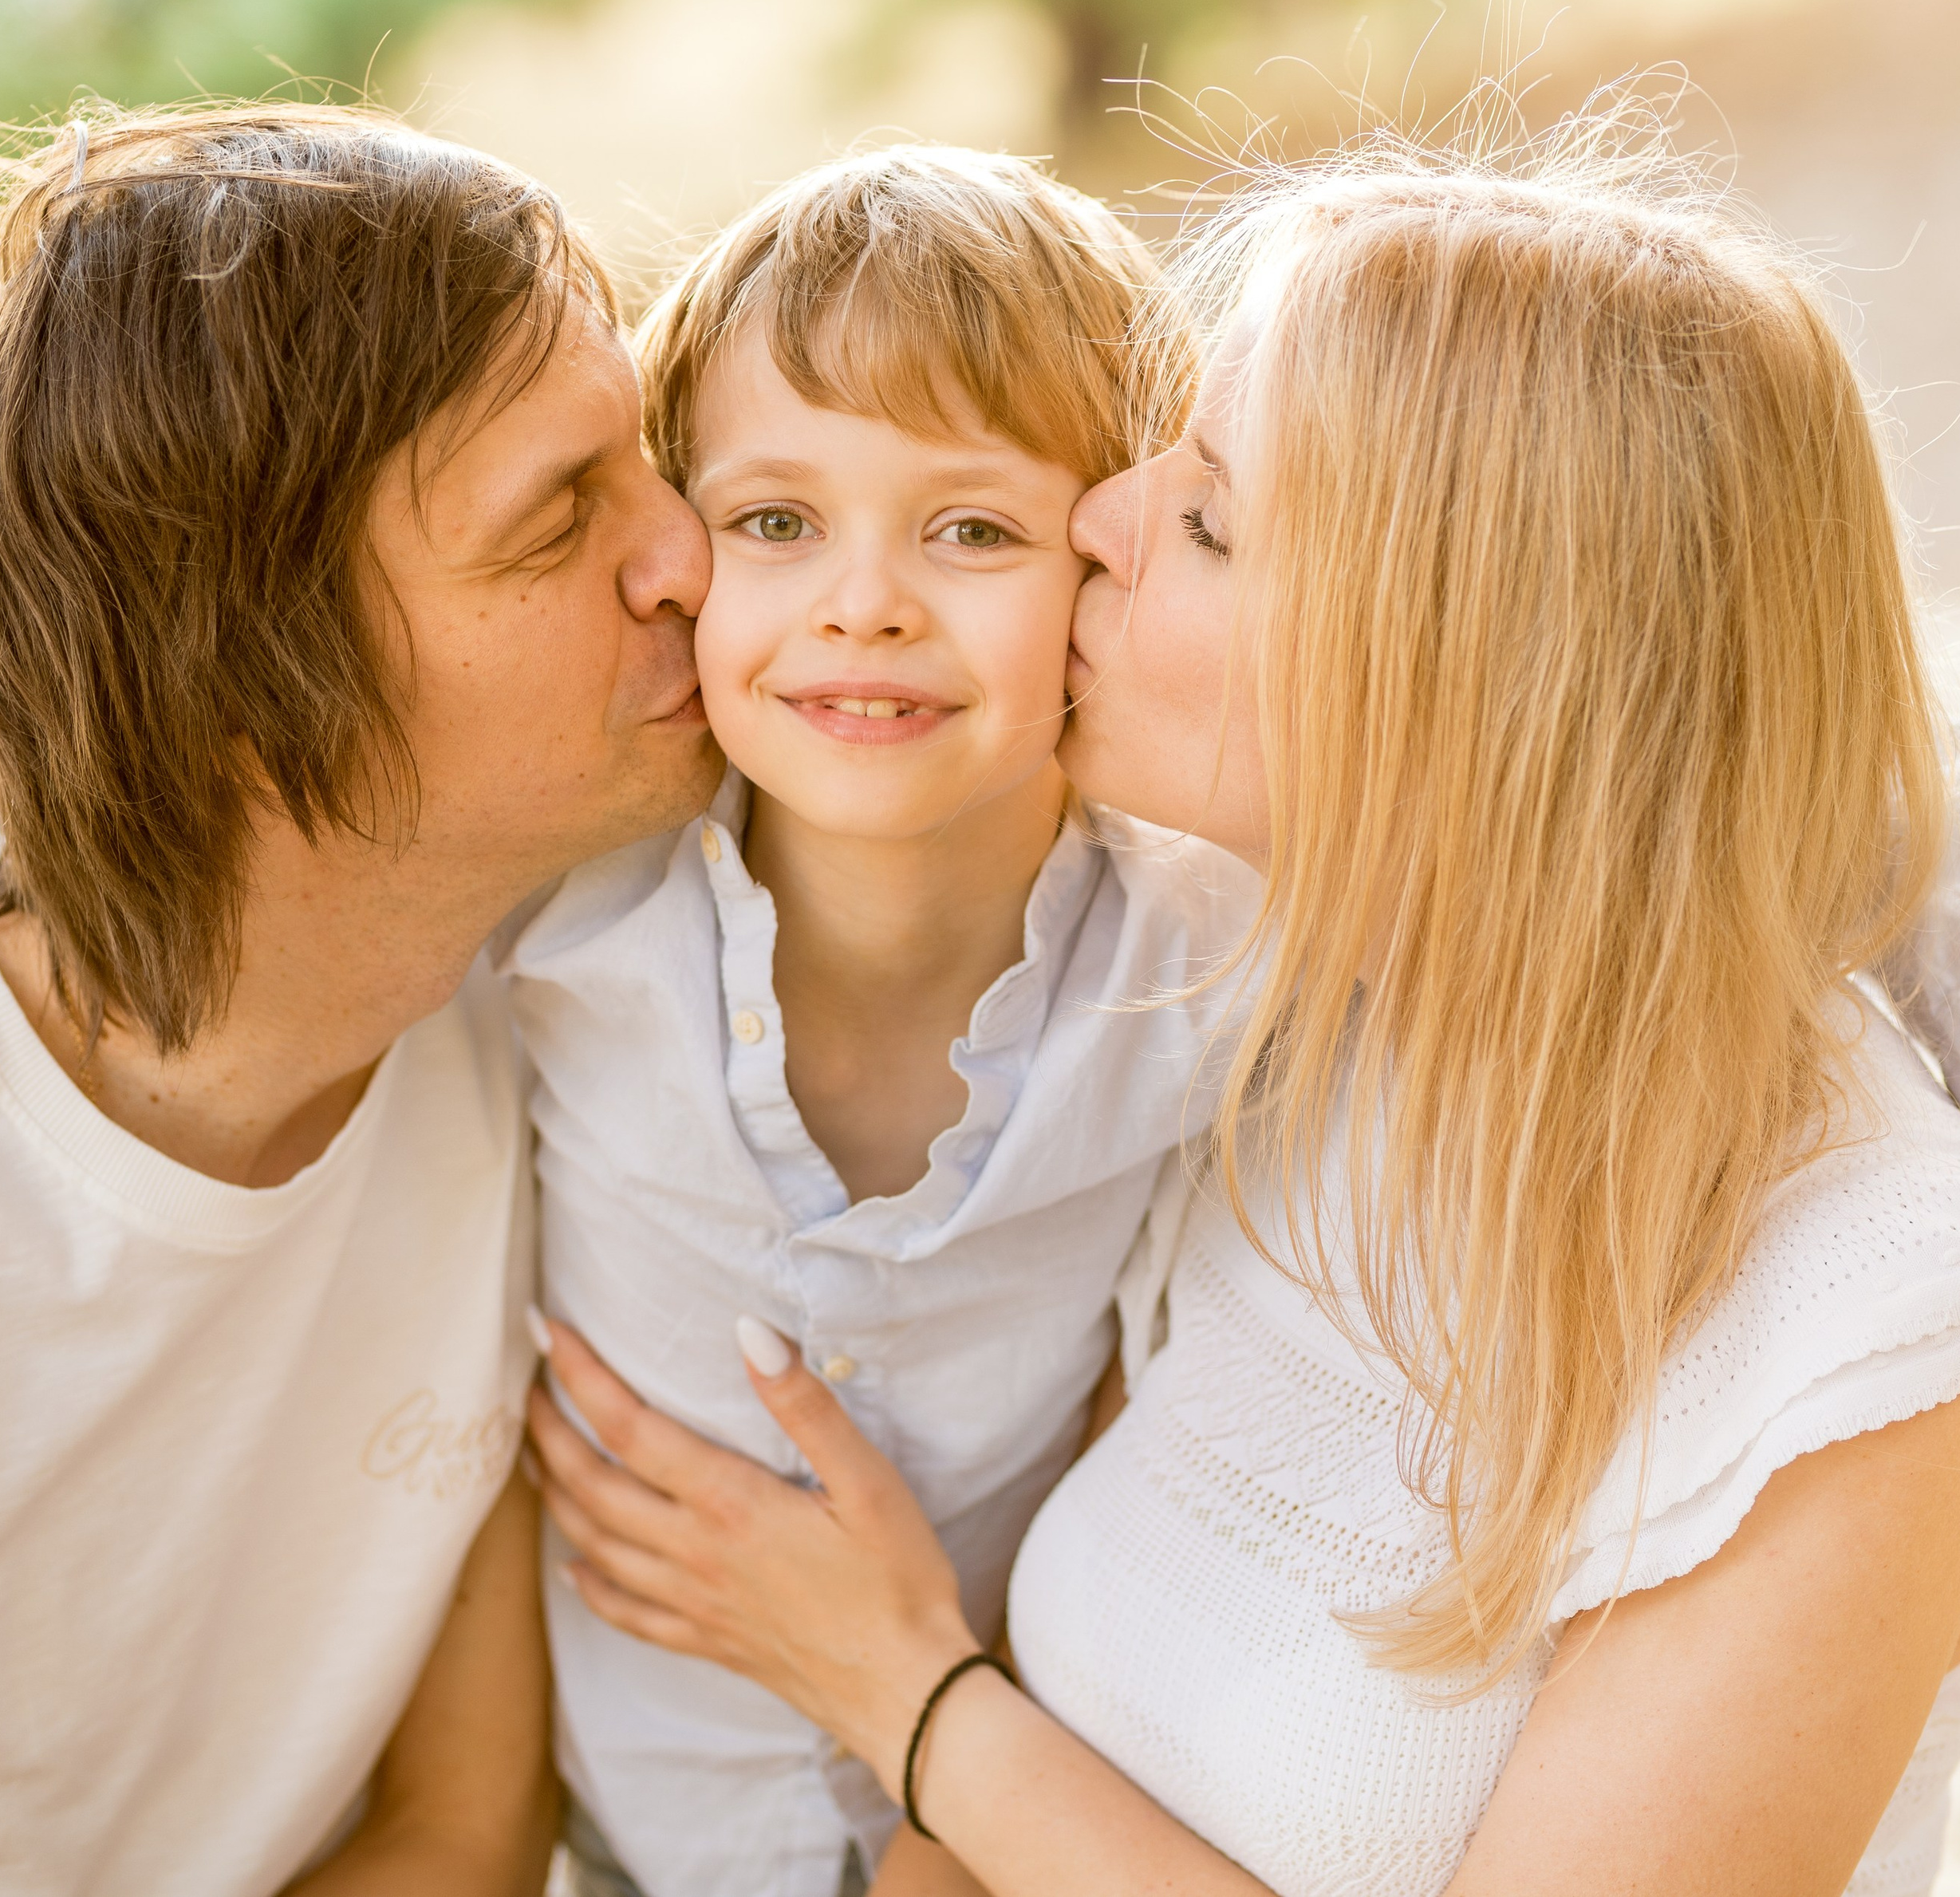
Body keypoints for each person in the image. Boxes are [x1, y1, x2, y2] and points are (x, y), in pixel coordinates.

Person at [525, 118, 1960, 1897]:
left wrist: (904, 1692)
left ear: (1464, 666)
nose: (1099, 518)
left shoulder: (1864, 1327)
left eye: (1205, 517)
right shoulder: (1295, 1040)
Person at [0, 105, 720, 1896]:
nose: (689, 554)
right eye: (556, 518)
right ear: (246, 688)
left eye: (646, 462)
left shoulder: (542, 980)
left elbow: (467, 1829)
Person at [515, 146, 1255, 1897]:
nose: (864, 603)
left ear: (1108, 558)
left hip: (1010, 1842)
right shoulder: (555, 916)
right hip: (611, 1851)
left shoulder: (1209, 963)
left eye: (972, 529)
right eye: (776, 522)